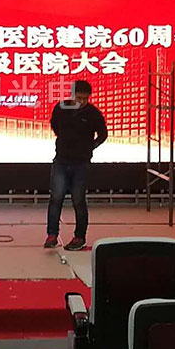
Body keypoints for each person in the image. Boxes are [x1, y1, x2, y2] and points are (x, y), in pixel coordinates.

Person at [44, 80, 107, 251]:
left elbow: (103, 134)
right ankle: (52, 235)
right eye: (79, 98)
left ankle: (79, 237)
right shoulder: (61, 108)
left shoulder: (93, 114)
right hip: (61, 160)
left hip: (81, 163)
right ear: (72, 95)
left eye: (86, 98)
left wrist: (90, 147)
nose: (82, 102)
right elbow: (55, 126)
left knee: (78, 200)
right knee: (56, 198)